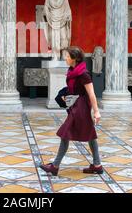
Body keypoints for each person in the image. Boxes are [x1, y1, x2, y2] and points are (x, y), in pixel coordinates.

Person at [39, 46, 103, 176]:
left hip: (81, 108)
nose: (65, 58)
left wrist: (96, 111)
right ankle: (97, 165)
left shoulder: (83, 74)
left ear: (75, 58)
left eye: (67, 56)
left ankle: (55, 166)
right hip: (75, 105)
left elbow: (91, 94)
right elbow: (73, 88)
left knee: (65, 133)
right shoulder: (72, 70)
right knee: (90, 135)